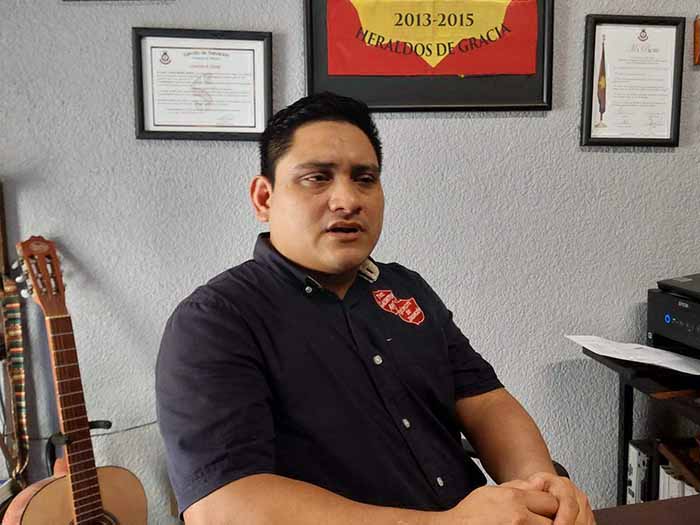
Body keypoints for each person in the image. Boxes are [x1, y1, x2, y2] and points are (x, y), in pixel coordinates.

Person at [156, 92, 595, 525]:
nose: (347, 200)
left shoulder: (406, 289)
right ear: (263, 198)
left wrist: (541, 486)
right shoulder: (215, 321)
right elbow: (224, 507)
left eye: (364, 178)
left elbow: (486, 402)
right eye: (317, 177)